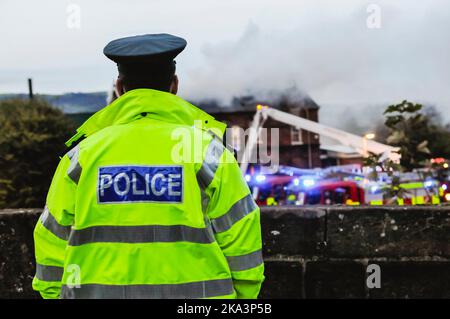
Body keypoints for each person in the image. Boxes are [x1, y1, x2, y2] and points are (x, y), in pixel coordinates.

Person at [32, 34, 264, 299]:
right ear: (174, 85)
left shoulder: (81, 157)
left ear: (119, 87)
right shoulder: (209, 153)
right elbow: (242, 234)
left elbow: (51, 237)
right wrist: (243, 297)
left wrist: (53, 295)